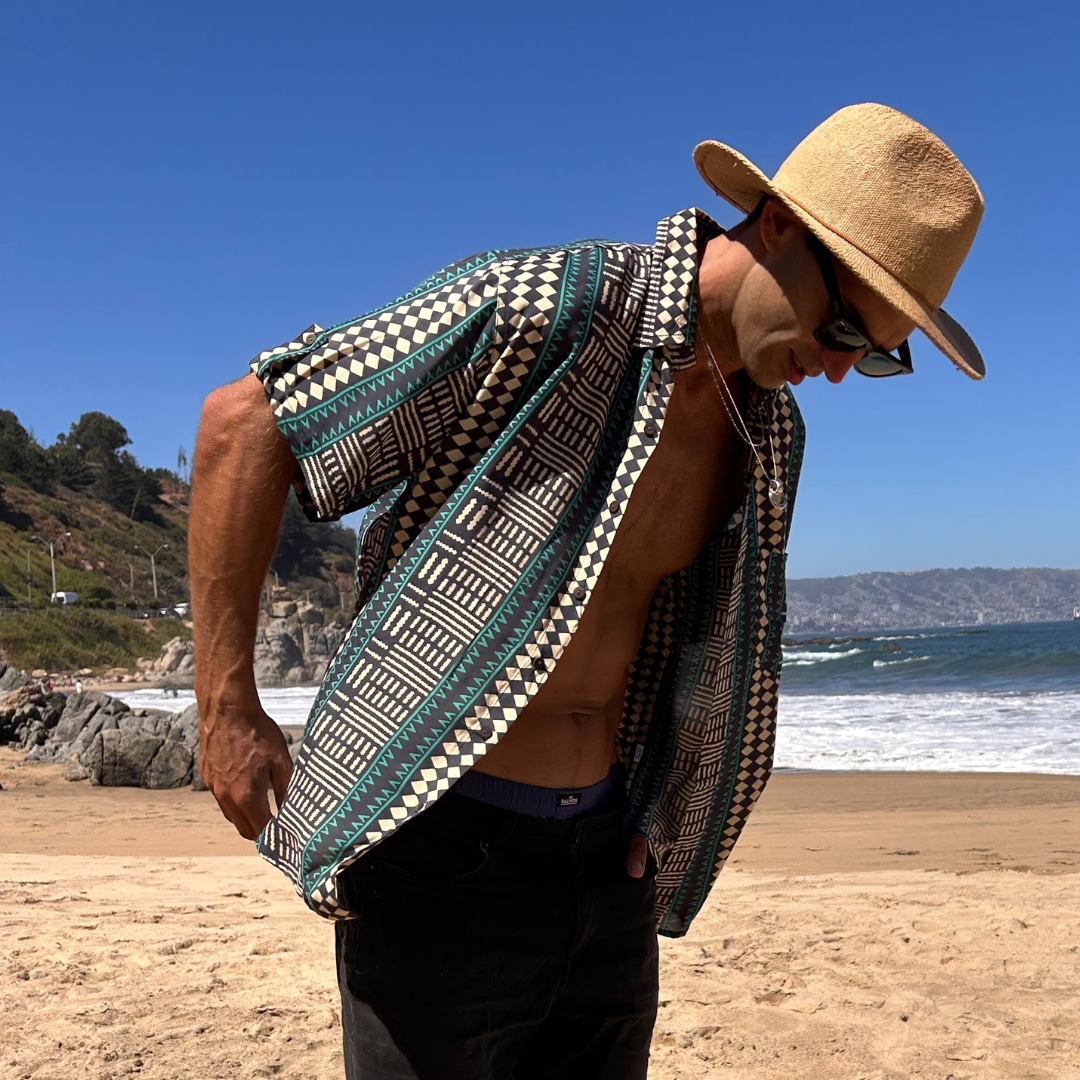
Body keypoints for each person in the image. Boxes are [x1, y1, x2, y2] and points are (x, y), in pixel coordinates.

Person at [190, 103, 984, 1079]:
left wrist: (665, 810)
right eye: (847, 326)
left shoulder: (770, 433)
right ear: (777, 224)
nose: (840, 369)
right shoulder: (549, 310)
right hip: (441, 851)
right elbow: (247, 424)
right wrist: (227, 707)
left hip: (608, 868)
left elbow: (714, 653)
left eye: (880, 353)